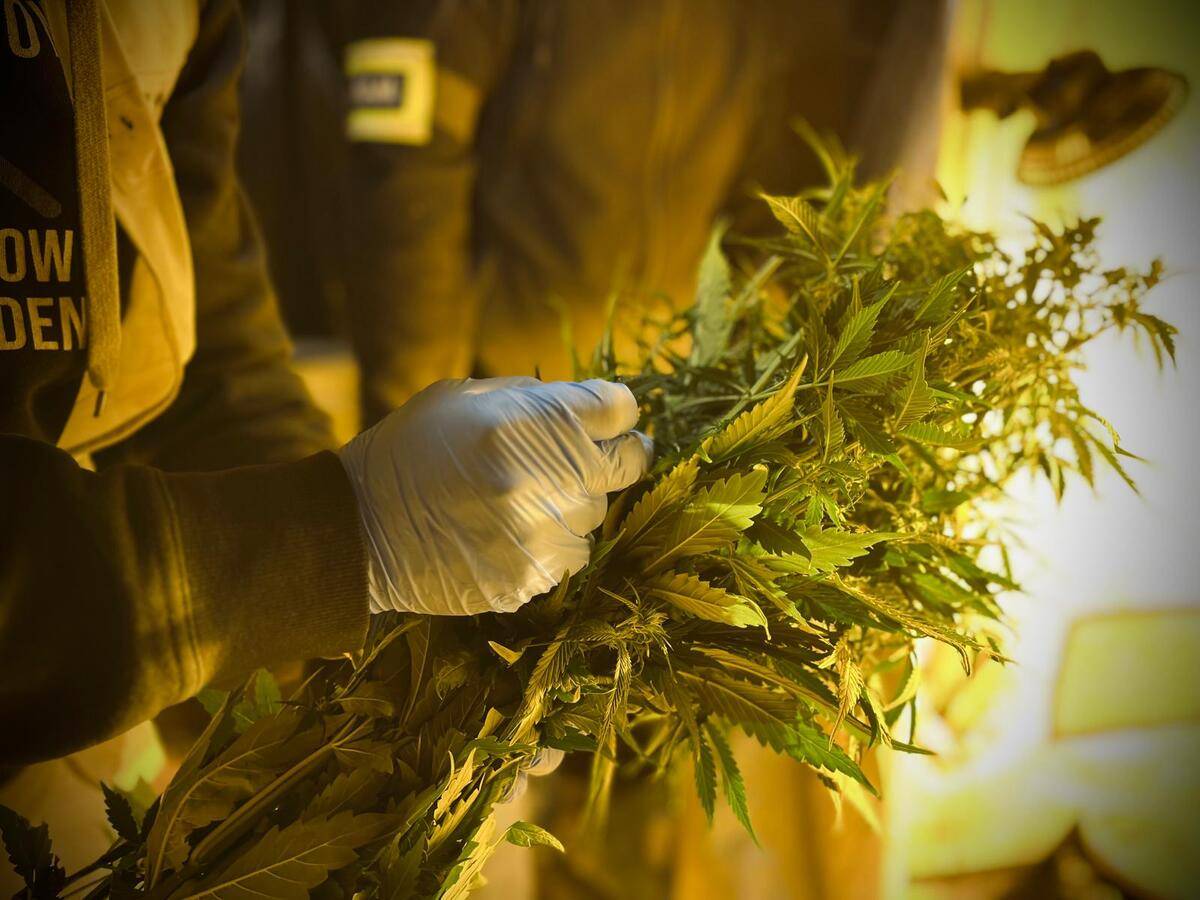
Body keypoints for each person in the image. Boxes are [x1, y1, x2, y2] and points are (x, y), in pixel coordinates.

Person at [0, 0, 649, 771]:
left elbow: (211, 344)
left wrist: (378, 629)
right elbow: (410, 183)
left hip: (93, 695)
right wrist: (345, 534)